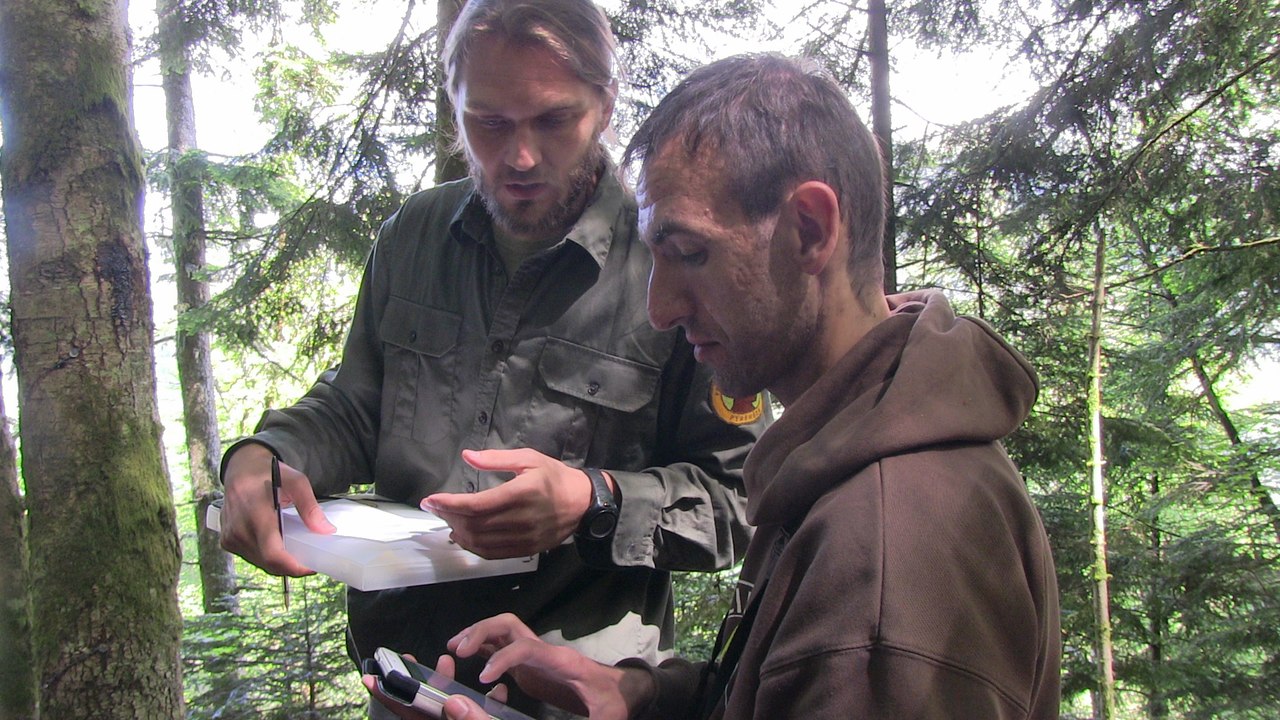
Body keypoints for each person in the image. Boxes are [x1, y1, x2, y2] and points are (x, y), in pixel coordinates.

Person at [379, 53, 1063, 719]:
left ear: (809, 230)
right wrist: (639, 695)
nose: (660, 309)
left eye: (691, 254)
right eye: (654, 257)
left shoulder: (886, 572)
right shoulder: (843, 450)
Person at [216, 1, 768, 717]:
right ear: (455, 109)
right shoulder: (412, 239)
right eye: (491, 123)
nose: (521, 157)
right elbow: (355, 407)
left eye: (552, 120)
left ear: (603, 107)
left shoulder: (669, 260)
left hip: (577, 696)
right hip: (404, 684)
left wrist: (593, 503)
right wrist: (266, 453)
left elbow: (740, 499)